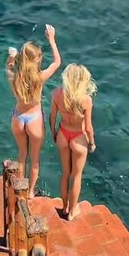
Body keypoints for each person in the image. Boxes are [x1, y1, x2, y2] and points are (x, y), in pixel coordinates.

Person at [6, 24, 61, 197]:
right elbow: (57, 62)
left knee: (22, 154)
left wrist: (12, 57)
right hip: (34, 120)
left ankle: (20, 188)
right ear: (36, 60)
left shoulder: (15, 78)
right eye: (40, 56)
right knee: (35, 159)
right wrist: (52, 40)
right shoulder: (40, 77)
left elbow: (9, 67)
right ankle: (30, 193)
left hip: (18, 118)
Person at [50, 64, 97, 220]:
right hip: (78, 137)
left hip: (63, 134)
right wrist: (92, 143)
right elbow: (88, 127)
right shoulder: (86, 100)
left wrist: (54, 133)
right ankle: (72, 212)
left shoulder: (57, 94)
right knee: (76, 176)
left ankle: (64, 207)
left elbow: (52, 117)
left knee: (65, 173)